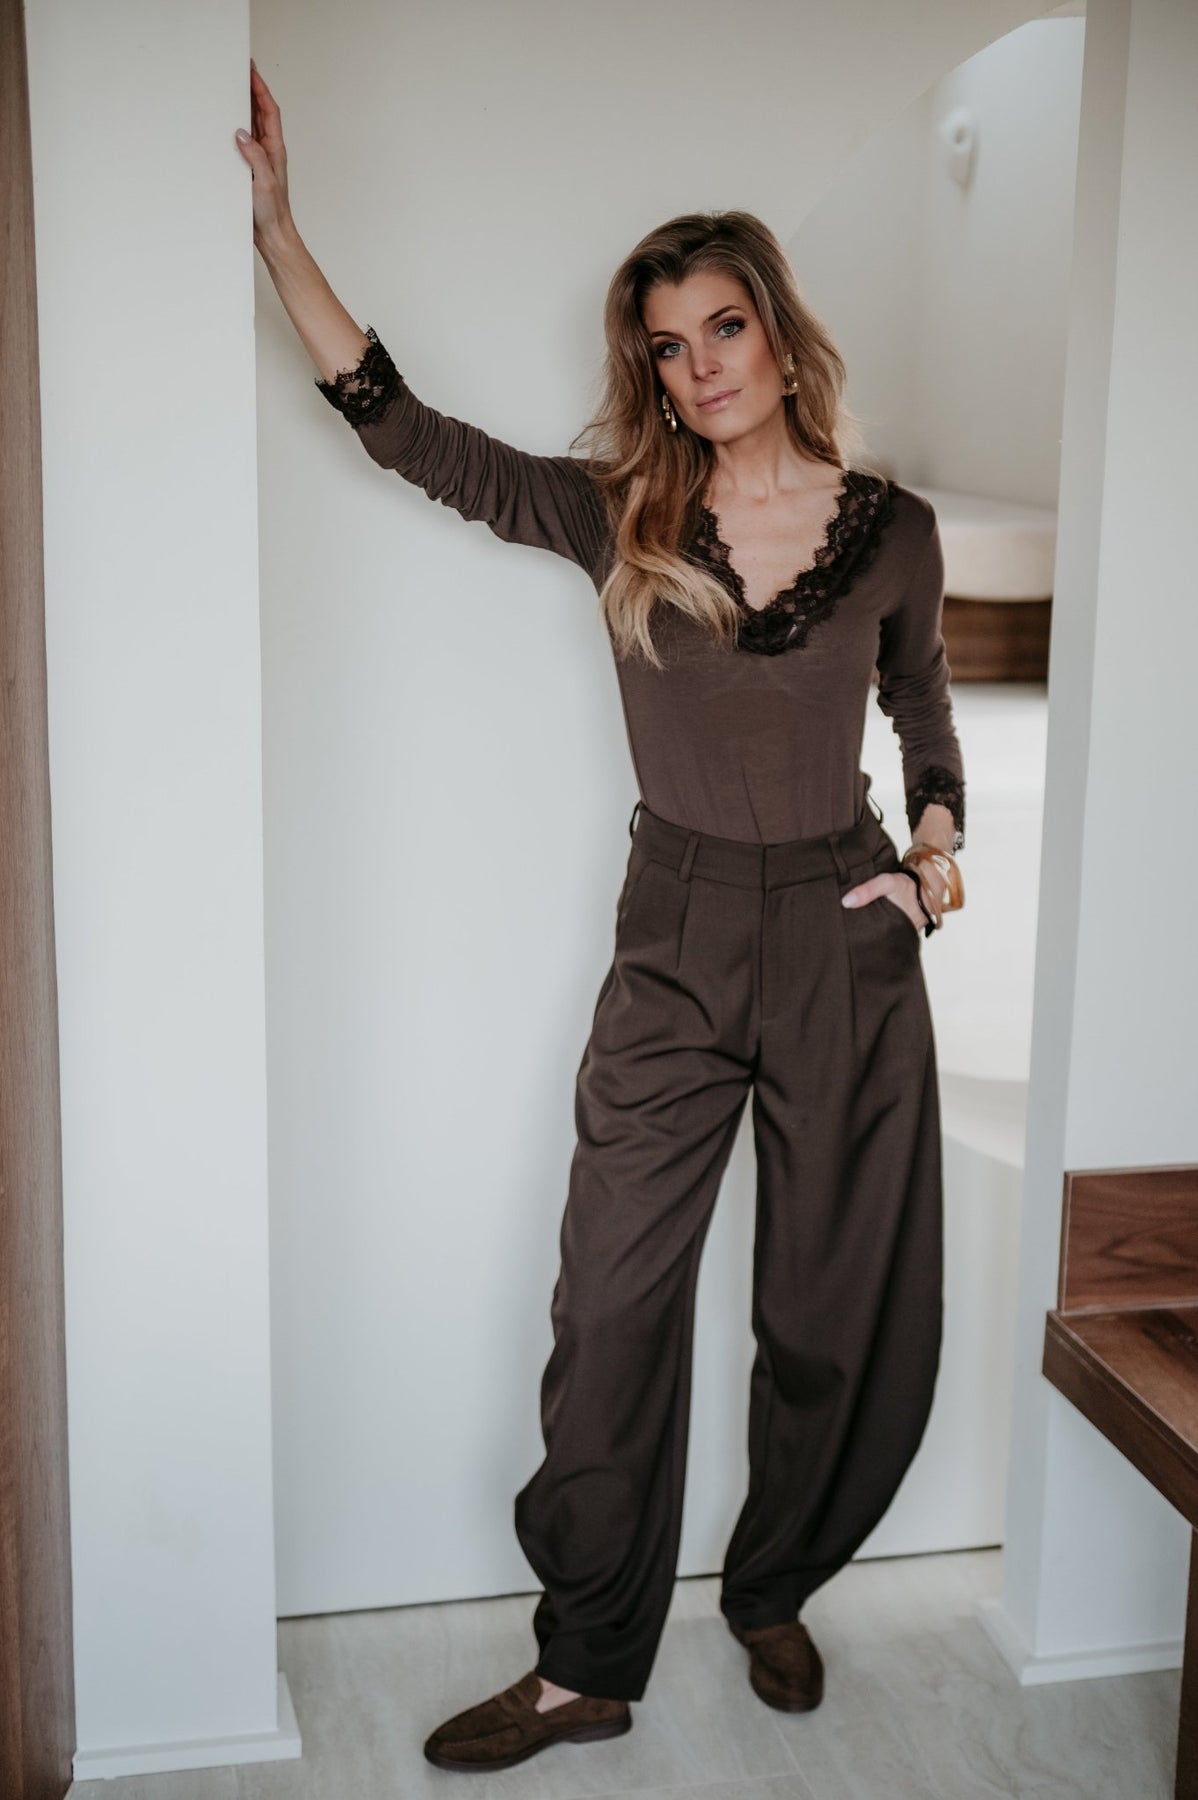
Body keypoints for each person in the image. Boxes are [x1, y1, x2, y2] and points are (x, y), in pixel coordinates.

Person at [238, 57, 966, 1777]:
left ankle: (772, 1586)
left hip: (842, 932)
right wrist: (277, 231)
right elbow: (411, 435)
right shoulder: (619, 513)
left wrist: (931, 859)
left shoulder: (893, 534)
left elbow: (923, 713)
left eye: (723, 328)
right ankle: (585, 1664)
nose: (698, 366)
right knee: (611, 1306)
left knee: (830, 1303)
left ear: (775, 331)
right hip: (676, 935)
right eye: (665, 345)